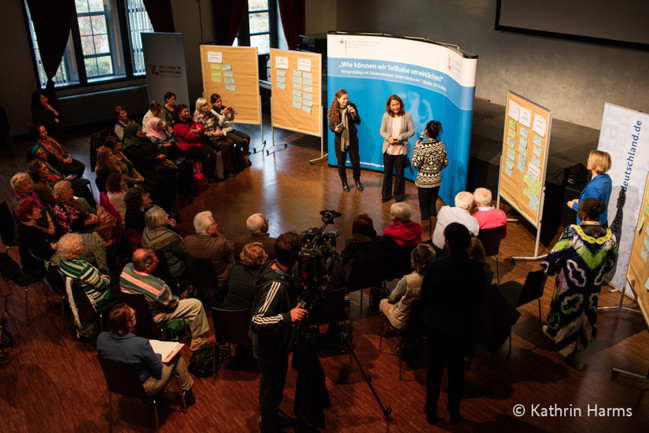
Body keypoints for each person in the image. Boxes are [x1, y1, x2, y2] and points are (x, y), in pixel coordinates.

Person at [420, 223, 487, 424]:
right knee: (457, 371)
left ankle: (431, 410)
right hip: (462, 327)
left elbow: (425, 296)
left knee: (434, 370)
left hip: (437, 325)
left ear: (447, 242)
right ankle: (454, 411)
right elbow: (479, 299)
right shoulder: (476, 269)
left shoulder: (435, 266)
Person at [541, 198, 617, 358]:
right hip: (593, 286)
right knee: (586, 310)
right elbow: (610, 262)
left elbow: (555, 254)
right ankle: (581, 340)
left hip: (570, 284)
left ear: (583, 213)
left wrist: (548, 268)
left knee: (565, 308)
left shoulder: (573, 232)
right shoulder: (610, 236)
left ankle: (560, 338)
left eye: (579, 209)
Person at [250, 231, 308, 433]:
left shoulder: (273, 267)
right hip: (269, 348)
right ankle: (269, 426)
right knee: (271, 390)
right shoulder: (275, 284)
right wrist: (287, 317)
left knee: (270, 388)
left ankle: (270, 418)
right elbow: (257, 320)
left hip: (273, 345)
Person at [97, 303, 195, 405]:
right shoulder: (140, 344)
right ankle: (188, 393)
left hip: (117, 384)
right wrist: (158, 356)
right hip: (143, 387)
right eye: (133, 315)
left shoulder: (101, 338)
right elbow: (157, 371)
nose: (136, 315)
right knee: (176, 356)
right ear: (129, 323)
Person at [120, 248, 215, 351]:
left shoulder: (126, 269)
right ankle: (196, 341)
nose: (158, 261)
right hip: (154, 316)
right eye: (155, 259)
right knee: (195, 305)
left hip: (137, 314)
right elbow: (172, 303)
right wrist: (178, 297)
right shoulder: (157, 287)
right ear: (147, 266)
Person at [379, 243, 435, 331]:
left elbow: (392, 299)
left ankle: (393, 330)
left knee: (383, 302)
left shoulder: (407, 280)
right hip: (426, 320)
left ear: (414, 260)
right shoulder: (436, 277)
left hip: (404, 321)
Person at [412, 120, 448, 240]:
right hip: (436, 180)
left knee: (424, 208)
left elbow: (415, 164)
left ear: (426, 131)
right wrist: (436, 170)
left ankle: (426, 234)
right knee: (432, 206)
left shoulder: (422, 147)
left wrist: (416, 149)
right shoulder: (441, 145)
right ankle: (433, 233)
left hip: (424, 183)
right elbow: (445, 163)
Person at [58, 233, 112, 308]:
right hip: (97, 299)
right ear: (77, 250)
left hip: (80, 297)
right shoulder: (84, 269)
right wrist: (106, 278)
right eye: (81, 245)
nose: (83, 246)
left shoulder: (62, 261)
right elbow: (101, 286)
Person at [184, 210, 235, 288]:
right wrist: (217, 233)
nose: (217, 225)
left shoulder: (187, 240)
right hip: (218, 281)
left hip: (196, 278)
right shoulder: (220, 243)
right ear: (208, 230)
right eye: (214, 223)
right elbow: (231, 247)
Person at [379, 94, 414, 203]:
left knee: (399, 174)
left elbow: (412, 131)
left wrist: (401, 137)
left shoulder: (407, 116)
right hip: (388, 149)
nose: (395, 107)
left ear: (401, 104)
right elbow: (381, 131)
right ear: (389, 106)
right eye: (393, 105)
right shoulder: (386, 116)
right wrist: (388, 138)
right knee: (387, 173)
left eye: (397, 104)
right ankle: (386, 195)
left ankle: (399, 196)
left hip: (401, 149)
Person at [173, 103, 219, 182]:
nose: (187, 113)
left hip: (195, 144)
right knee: (207, 155)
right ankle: (206, 175)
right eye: (185, 112)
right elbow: (189, 137)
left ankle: (212, 174)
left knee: (213, 153)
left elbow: (201, 127)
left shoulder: (189, 120)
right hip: (187, 148)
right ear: (179, 114)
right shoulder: (177, 125)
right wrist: (197, 132)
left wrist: (195, 131)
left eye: (187, 111)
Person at [328, 89, 362, 192]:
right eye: (343, 99)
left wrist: (354, 114)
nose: (346, 101)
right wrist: (335, 129)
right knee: (341, 163)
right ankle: (344, 182)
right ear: (338, 99)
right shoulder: (334, 109)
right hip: (340, 139)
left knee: (355, 162)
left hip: (352, 139)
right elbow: (331, 126)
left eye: (347, 98)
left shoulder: (352, 107)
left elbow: (358, 122)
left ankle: (357, 180)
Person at [566, 150, 612, 225]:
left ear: (595, 164)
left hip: (589, 225)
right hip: (602, 220)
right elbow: (597, 200)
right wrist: (580, 200)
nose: (587, 161)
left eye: (589, 160)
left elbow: (591, 210)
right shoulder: (607, 179)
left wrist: (573, 205)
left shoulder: (594, 187)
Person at [194, 97, 237, 177]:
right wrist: (214, 134)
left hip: (217, 135)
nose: (206, 107)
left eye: (206, 105)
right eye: (203, 106)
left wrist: (219, 131)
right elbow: (201, 133)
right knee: (225, 146)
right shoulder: (197, 118)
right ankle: (227, 170)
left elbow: (216, 124)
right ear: (199, 107)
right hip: (208, 138)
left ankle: (231, 167)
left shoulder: (209, 114)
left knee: (231, 143)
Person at [141, 206, 185, 281]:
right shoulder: (170, 238)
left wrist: (169, 227)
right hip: (174, 270)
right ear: (159, 221)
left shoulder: (146, 231)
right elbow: (184, 253)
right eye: (165, 215)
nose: (168, 215)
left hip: (158, 271)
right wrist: (173, 229)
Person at [15, 198, 57, 274]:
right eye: (36, 209)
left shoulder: (22, 226)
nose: (39, 210)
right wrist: (54, 247)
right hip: (37, 265)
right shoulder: (33, 233)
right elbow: (46, 255)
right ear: (29, 216)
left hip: (29, 262)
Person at [223, 242, 268, 311]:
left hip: (227, 316)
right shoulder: (263, 278)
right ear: (261, 260)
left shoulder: (234, 269)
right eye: (265, 257)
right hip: (250, 318)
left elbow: (224, 288)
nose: (266, 258)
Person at [210, 93, 251, 167]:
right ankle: (237, 158)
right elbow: (219, 124)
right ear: (213, 103)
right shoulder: (212, 113)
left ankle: (243, 157)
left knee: (247, 137)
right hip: (224, 131)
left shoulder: (223, 108)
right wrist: (223, 115)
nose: (220, 103)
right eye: (217, 102)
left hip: (231, 129)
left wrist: (231, 112)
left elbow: (231, 119)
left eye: (220, 101)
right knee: (240, 141)